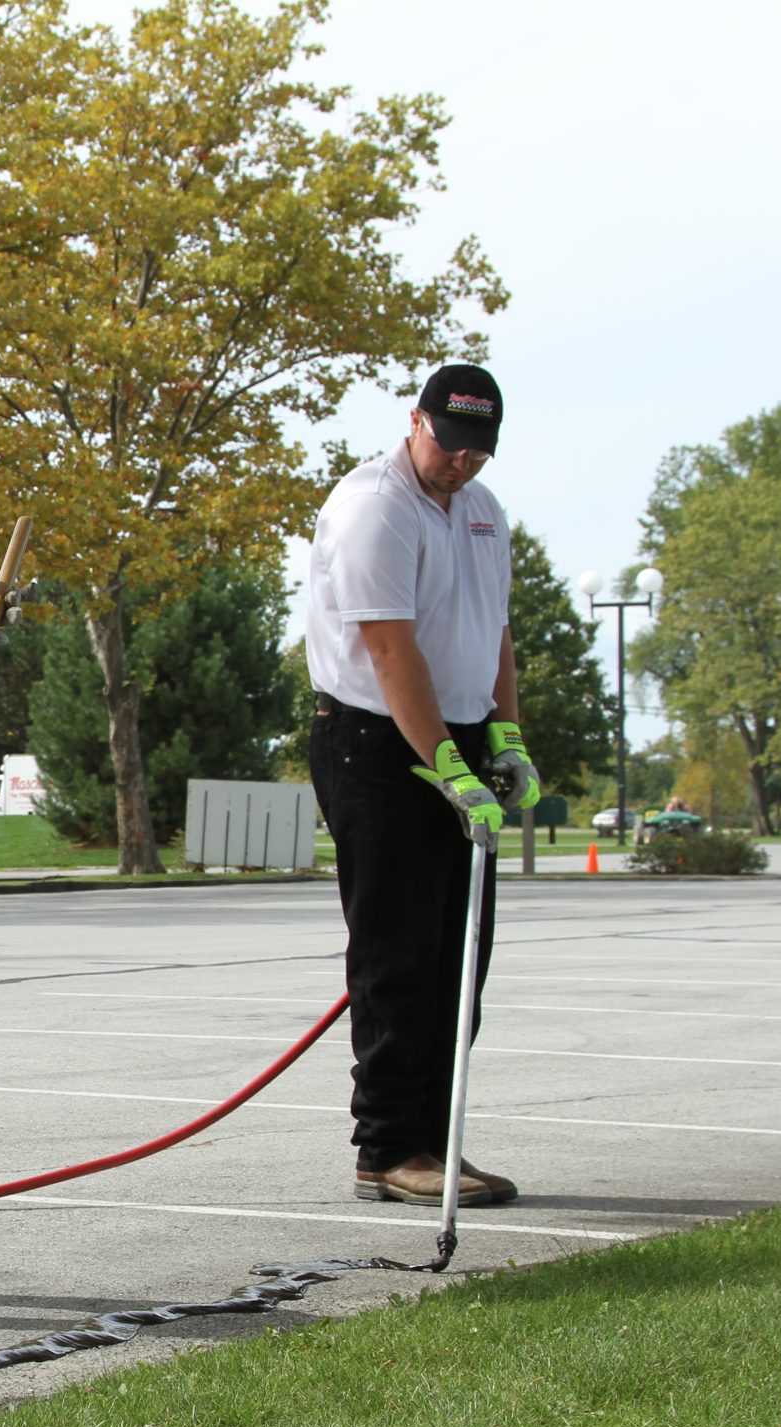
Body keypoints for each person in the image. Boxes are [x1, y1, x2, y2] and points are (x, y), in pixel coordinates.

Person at [303, 362, 540, 1208]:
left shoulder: (483, 511)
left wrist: (503, 738)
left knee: (459, 957)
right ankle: (388, 1146)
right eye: (449, 445)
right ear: (416, 421)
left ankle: (434, 1137)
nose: (461, 464)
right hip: (377, 741)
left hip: (460, 735)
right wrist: (444, 766)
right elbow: (389, 648)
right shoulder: (375, 505)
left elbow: (495, 630)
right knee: (398, 955)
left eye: (479, 452)